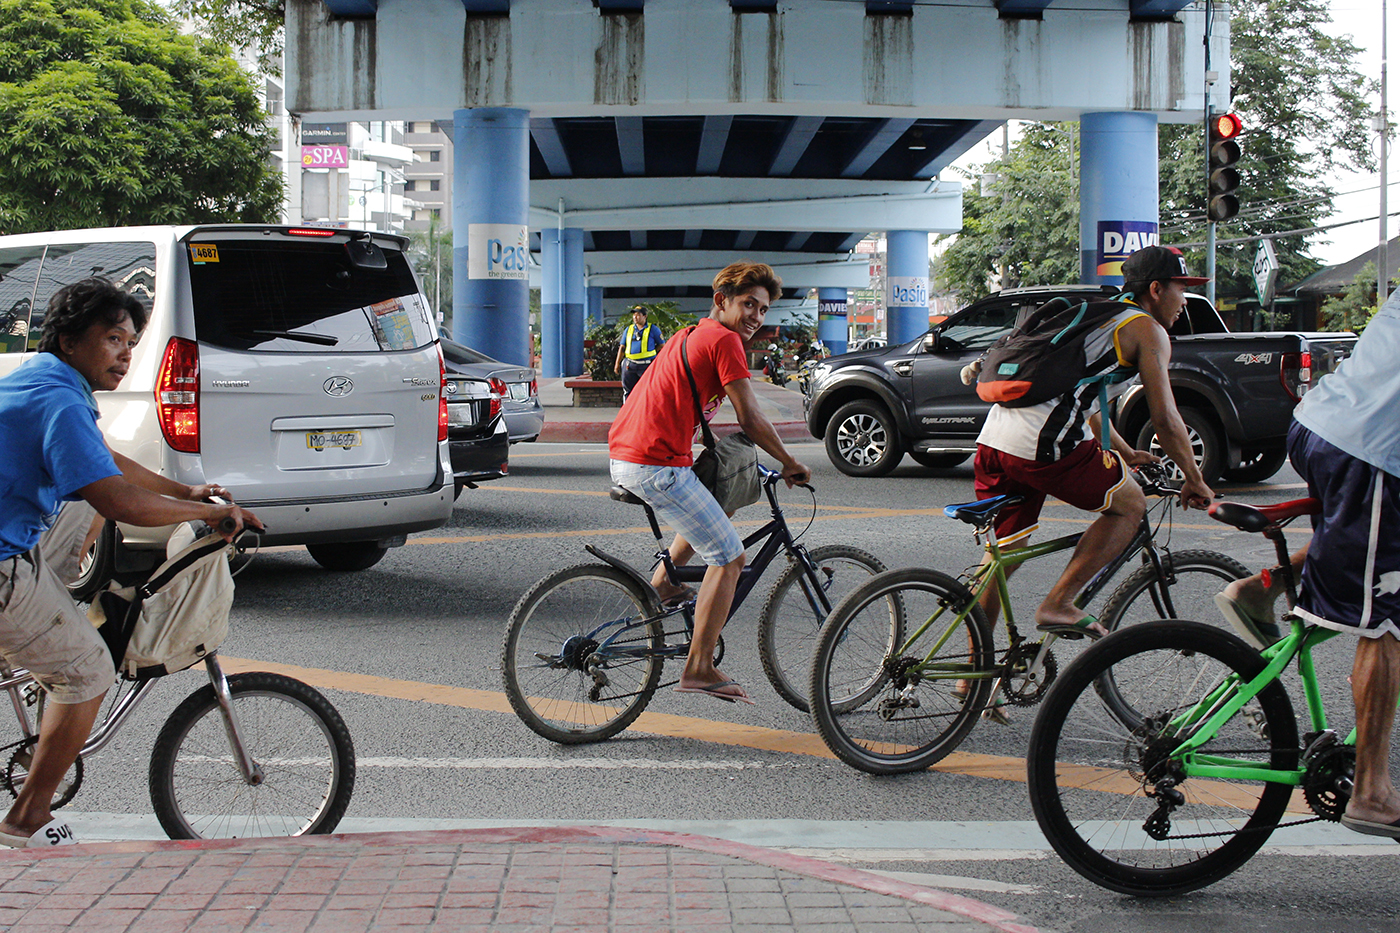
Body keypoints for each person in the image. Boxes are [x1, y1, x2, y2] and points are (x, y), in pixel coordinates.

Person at [0, 278, 260, 849]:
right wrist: (218, 517)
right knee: (89, 669)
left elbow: (105, 463)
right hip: (2, 566)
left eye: (132, 342)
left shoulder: (42, 382)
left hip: (12, 546)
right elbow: (117, 499)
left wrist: (187, 494)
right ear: (69, 341)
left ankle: (44, 640)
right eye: (113, 338)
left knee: (83, 506)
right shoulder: (60, 399)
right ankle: (26, 819)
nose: (125, 353)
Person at [1216, 289, 1400, 838]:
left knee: (1358, 554)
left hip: (1324, 426)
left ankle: (1262, 589)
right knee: (1384, 616)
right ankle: (1370, 789)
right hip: (1372, 452)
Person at [970, 245, 1216, 641]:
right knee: (1130, 504)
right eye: (1180, 288)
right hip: (1042, 445)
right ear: (1155, 288)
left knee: (1001, 557)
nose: (1184, 302)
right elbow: (1166, 419)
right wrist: (1194, 476)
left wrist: (1125, 451)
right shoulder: (1146, 330)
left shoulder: (1101, 315)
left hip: (996, 441)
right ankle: (1060, 603)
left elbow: (1082, 400)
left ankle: (973, 680)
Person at [608, 262, 811, 704]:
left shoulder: (689, 335)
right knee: (730, 557)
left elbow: (682, 406)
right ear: (722, 301)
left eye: (763, 308)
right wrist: (789, 461)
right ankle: (698, 668)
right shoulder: (725, 341)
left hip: (632, 454)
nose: (757, 316)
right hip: (654, 464)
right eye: (748, 305)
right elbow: (751, 417)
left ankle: (663, 584)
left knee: (722, 500)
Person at [612, 305, 664, 401]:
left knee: (648, 390)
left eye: (638, 315)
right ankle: (628, 413)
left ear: (645, 316)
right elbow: (622, 347)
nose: (635, 317)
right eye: (634, 315)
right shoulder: (629, 329)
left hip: (646, 365)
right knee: (628, 391)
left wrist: (651, 352)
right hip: (630, 364)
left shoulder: (653, 329)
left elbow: (662, 345)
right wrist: (617, 364)